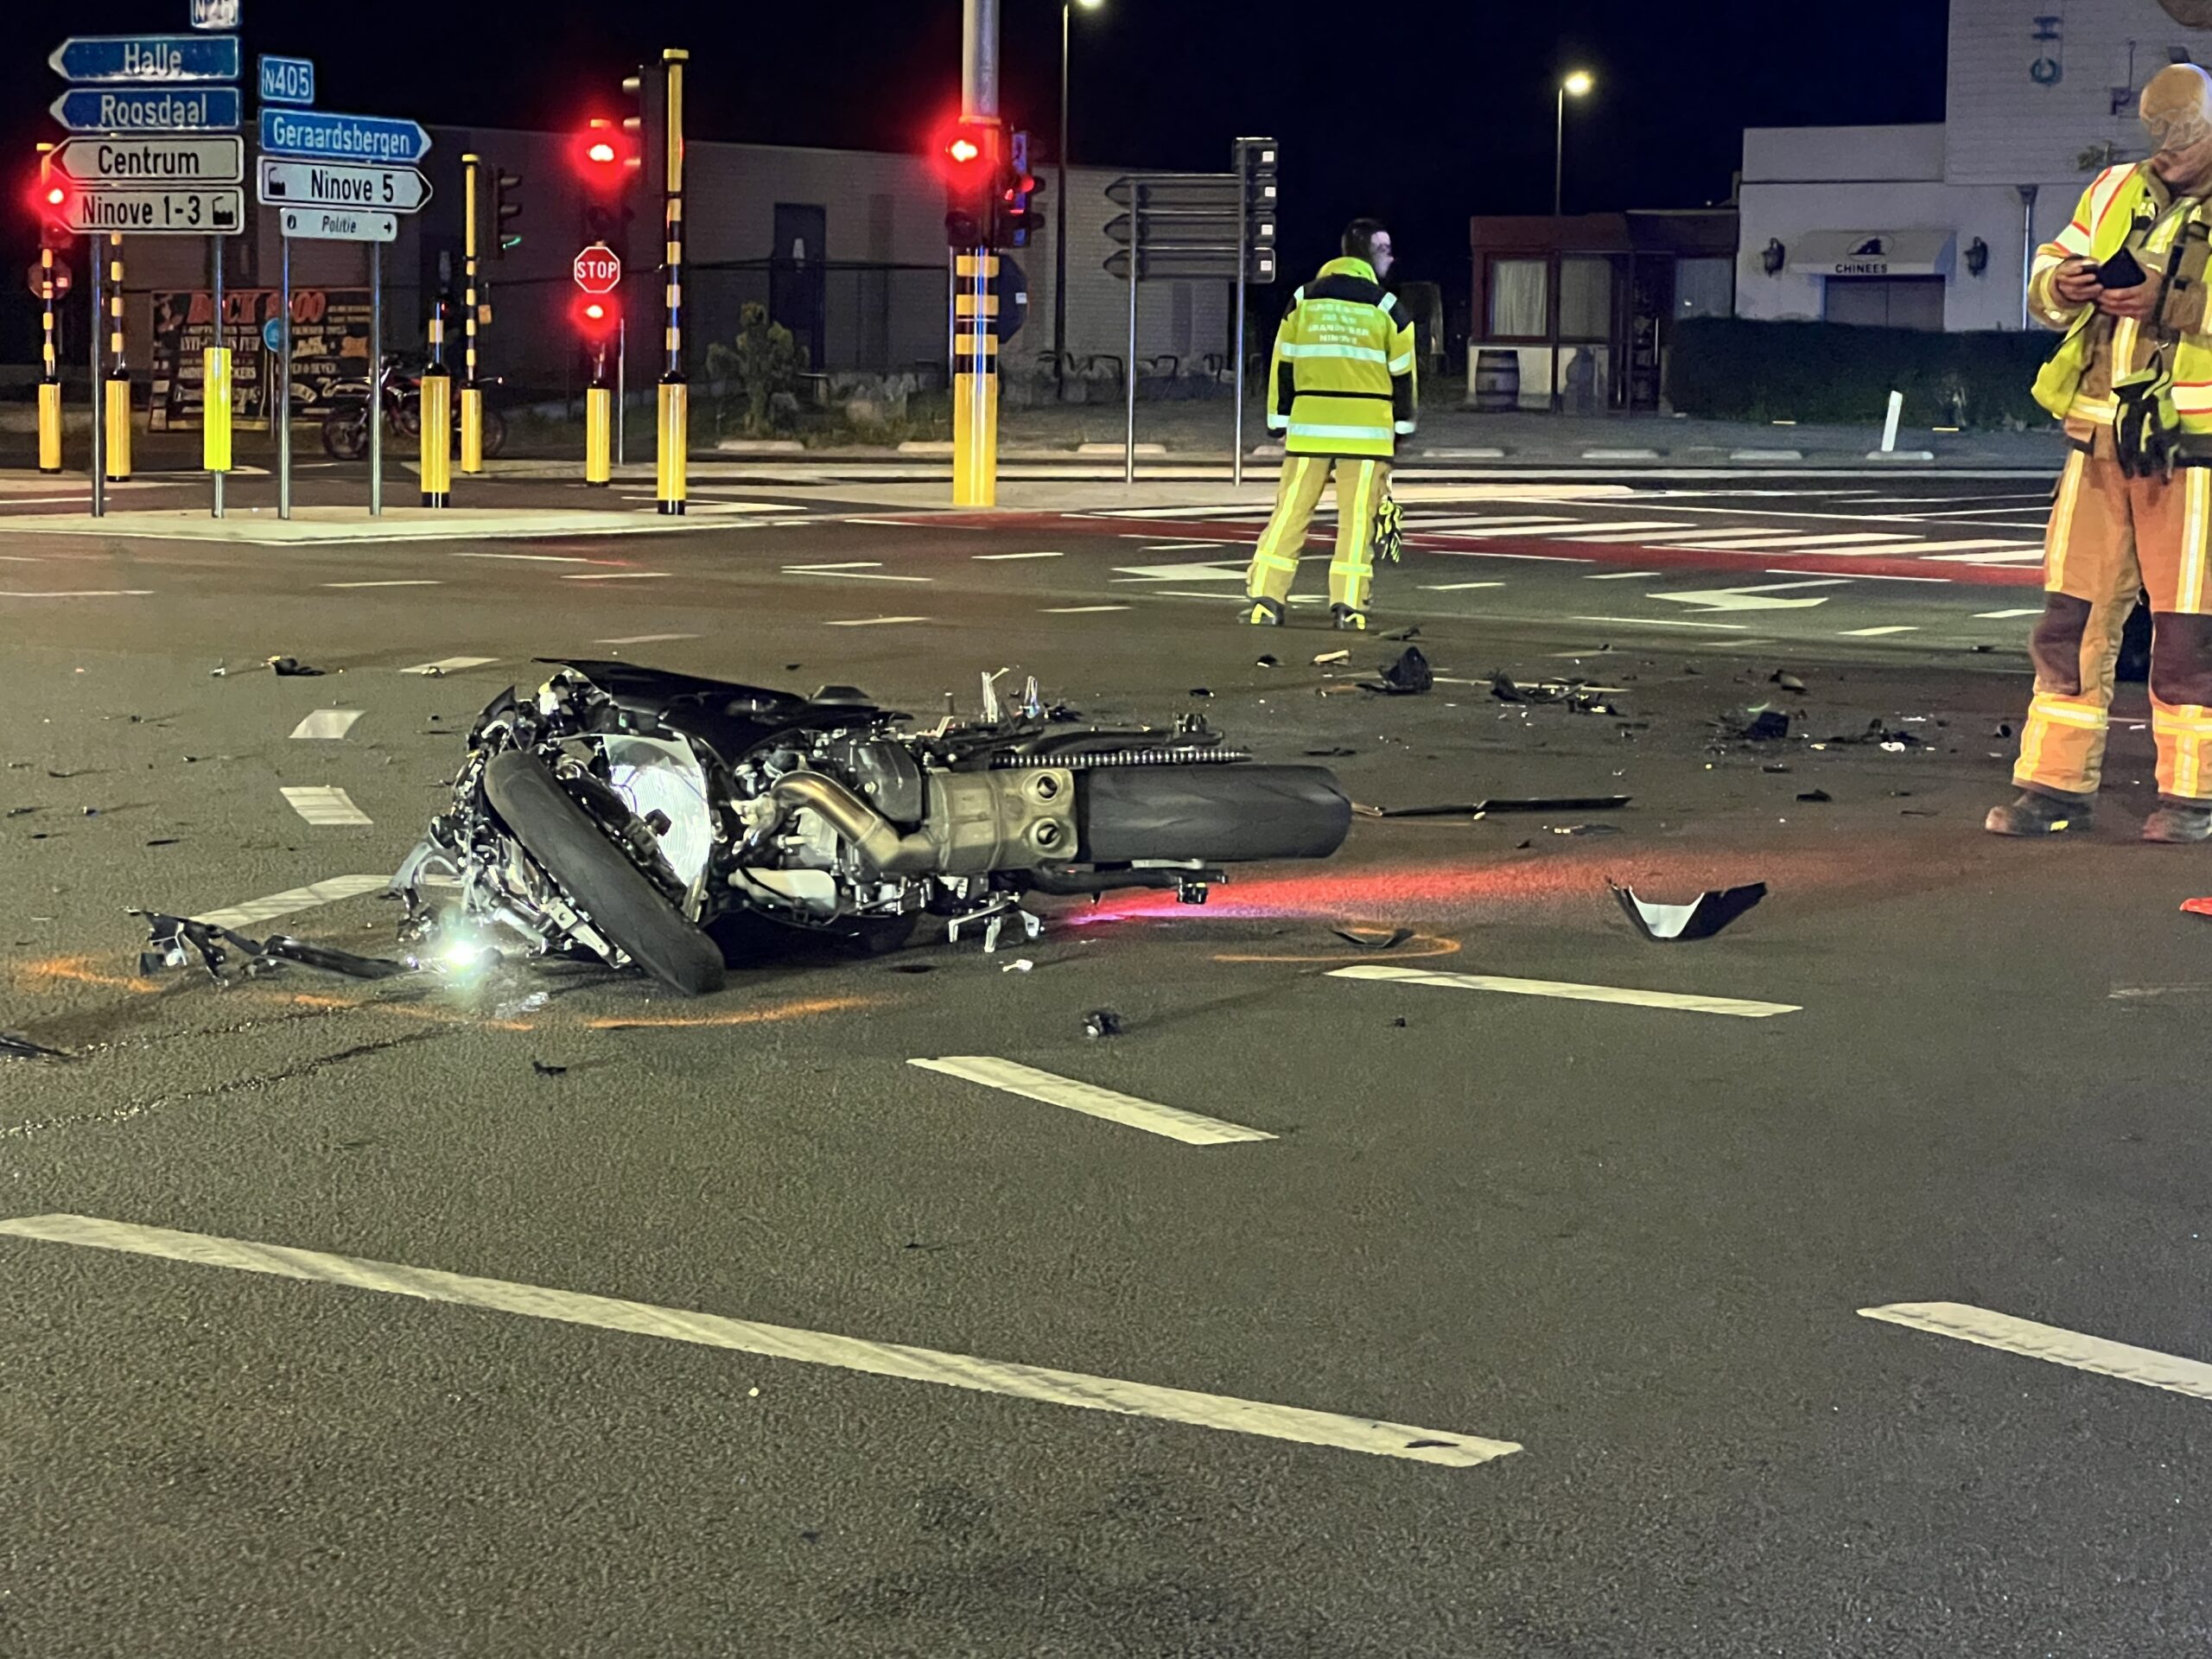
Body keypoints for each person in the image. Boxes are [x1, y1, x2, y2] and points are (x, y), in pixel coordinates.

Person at [1990, 63, 2212, 842]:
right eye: (2156, 133)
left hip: (2194, 451)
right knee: (2070, 620)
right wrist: (2066, 284)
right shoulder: (2115, 187)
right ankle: (2054, 787)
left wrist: (2170, 301)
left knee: (2189, 631)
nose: (2166, 148)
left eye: (2182, 136)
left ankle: (2193, 797)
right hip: (2100, 440)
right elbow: (2045, 271)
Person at [1243, 219, 1418, 631]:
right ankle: (1349, 608)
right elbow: (1404, 377)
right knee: (1357, 524)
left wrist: (1278, 422)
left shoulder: (1304, 299)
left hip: (1310, 429)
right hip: (1368, 435)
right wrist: (1402, 428)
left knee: (1290, 513)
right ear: (1368, 254)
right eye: (1385, 249)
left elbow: (1282, 365)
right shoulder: (1388, 308)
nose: (1391, 257)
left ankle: (1266, 599)